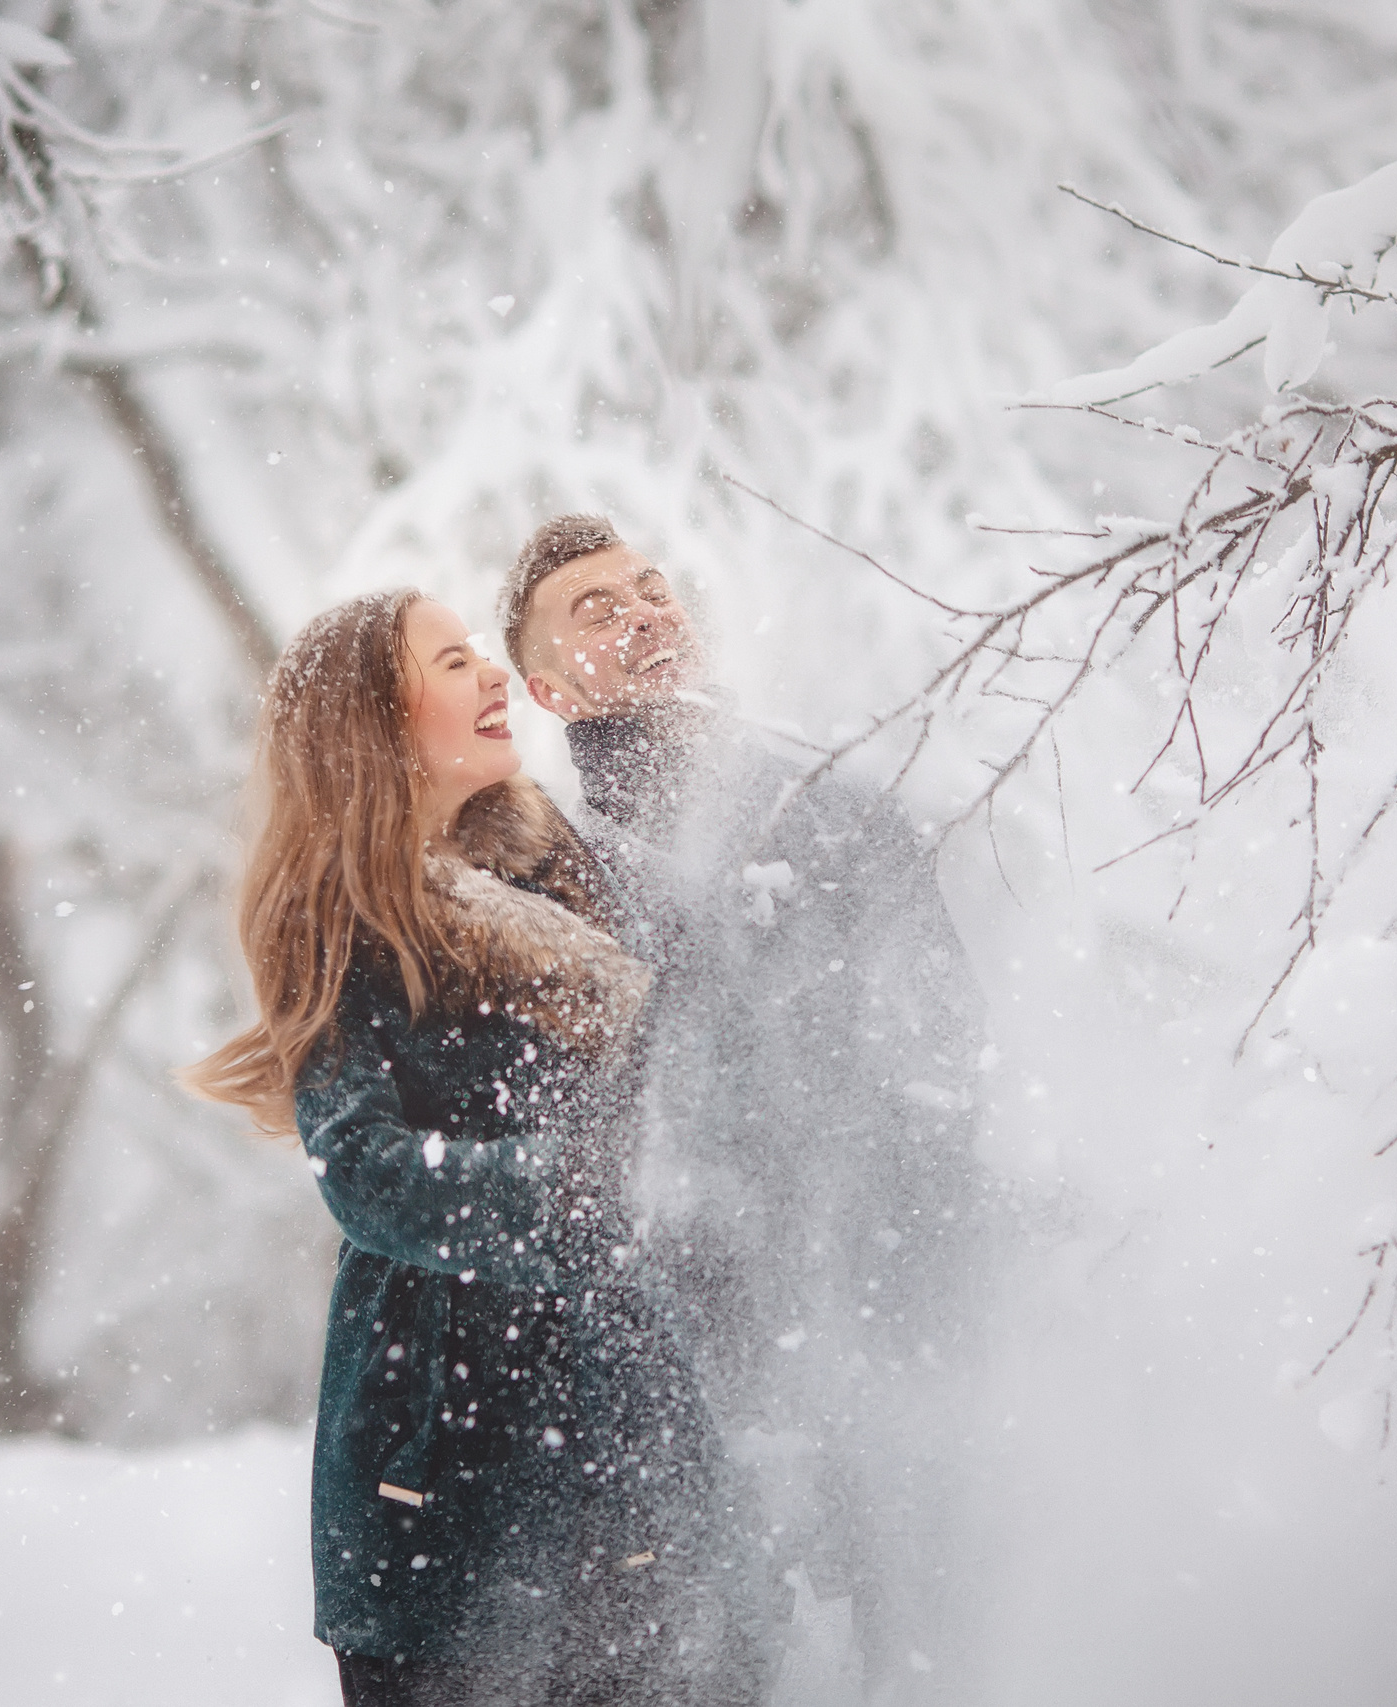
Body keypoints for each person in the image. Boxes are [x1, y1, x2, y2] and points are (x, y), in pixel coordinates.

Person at [181, 589, 773, 1707]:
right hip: (446, 1464)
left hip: (638, 1439)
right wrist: (571, 1188)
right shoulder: (348, 921)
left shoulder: (571, 874)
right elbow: (366, 1173)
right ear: (377, 724)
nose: (492, 672)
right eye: (452, 662)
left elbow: (699, 1043)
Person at [499, 516, 991, 1702]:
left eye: (650, 589)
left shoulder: (834, 804)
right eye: (598, 610)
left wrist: (887, 1253)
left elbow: (939, 1049)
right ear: (548, 689)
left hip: (871, 1319)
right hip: (671, 1368)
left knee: (904, 1645)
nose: (644, 613)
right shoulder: (555, 871)